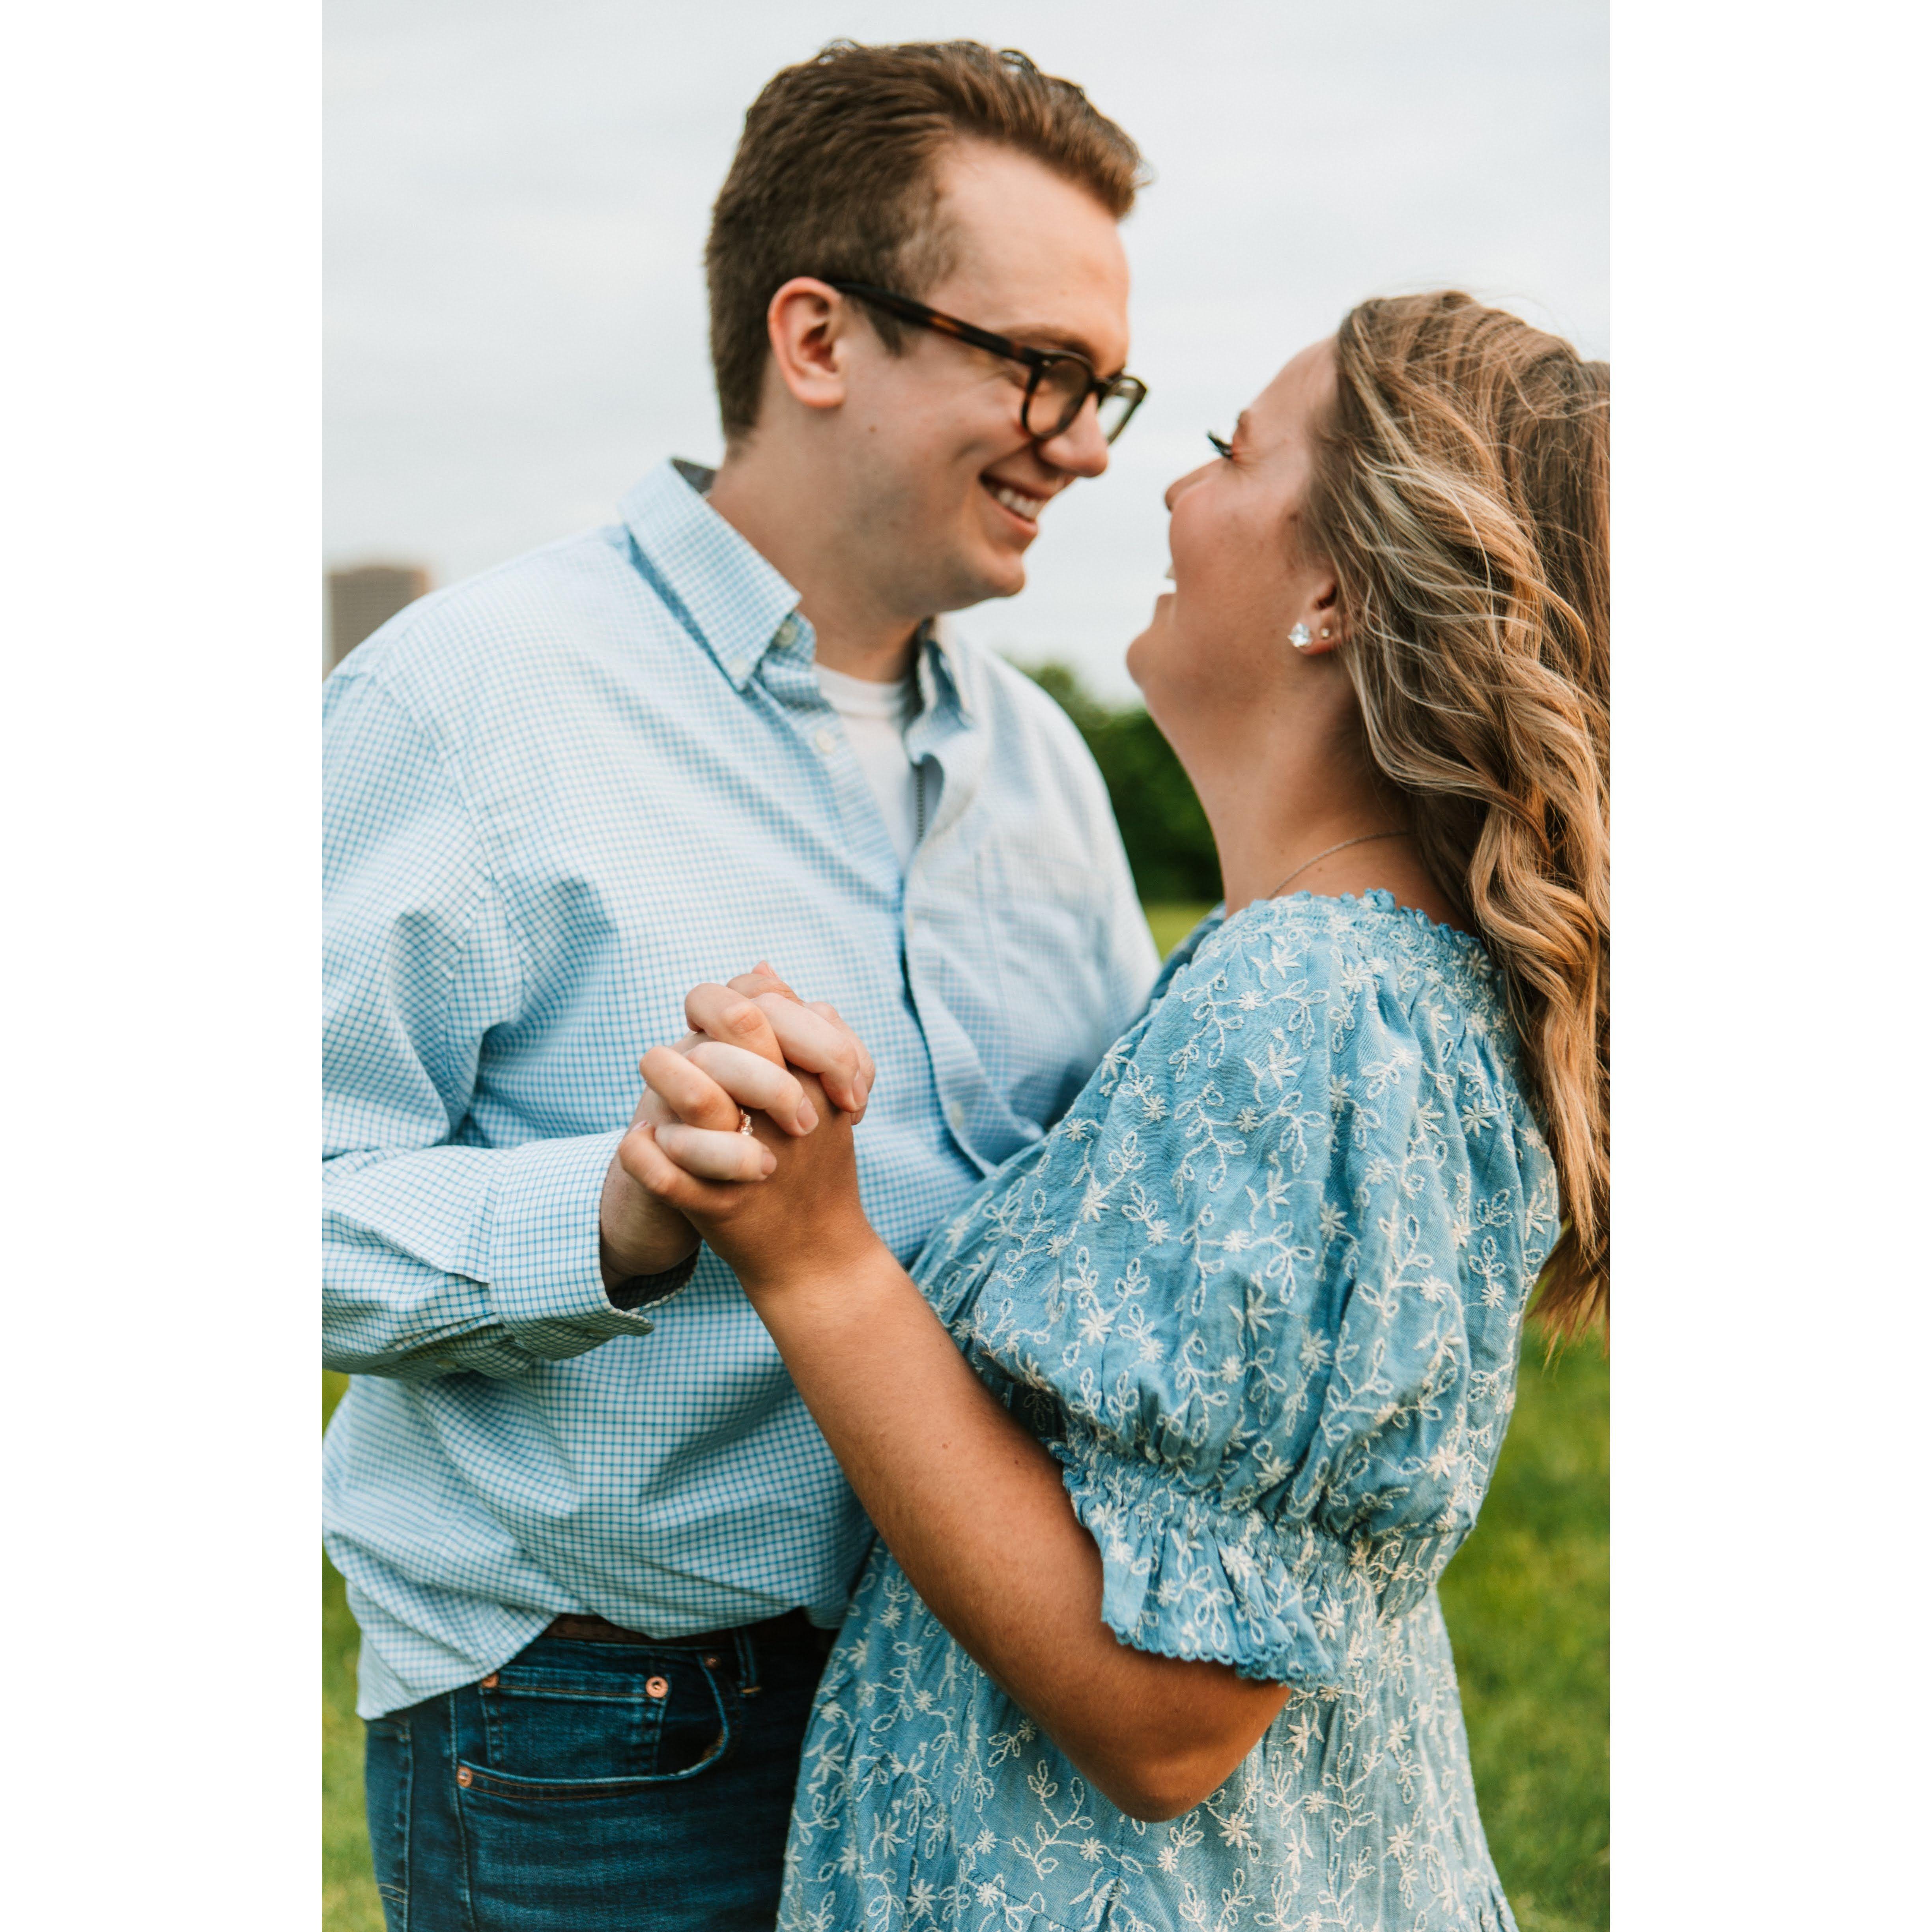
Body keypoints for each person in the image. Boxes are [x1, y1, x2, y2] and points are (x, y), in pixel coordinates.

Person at [628, 290, 1609, 1930]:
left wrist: (815, 1256)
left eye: (1230, 449)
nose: (1165, 483)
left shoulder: (1312, 1011)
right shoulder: (1332, 977)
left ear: (1332, 594)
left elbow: (1168, 1718)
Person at [322, 41, 1162, 1932]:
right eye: (1038, 368)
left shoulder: (1043, 762)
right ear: (817, 337)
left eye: (1103, 386)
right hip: (602, 1741)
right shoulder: (469, 699)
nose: (1088, 444)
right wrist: (612, 1217)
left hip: (977, 1709)